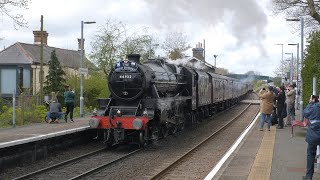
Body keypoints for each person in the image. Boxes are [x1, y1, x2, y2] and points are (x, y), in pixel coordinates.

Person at [303, 95, 320, 180]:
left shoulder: (313, 107)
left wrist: (310, 103)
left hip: (313, 135)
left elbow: (305, 113)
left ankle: (309, 176)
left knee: (310, 155)